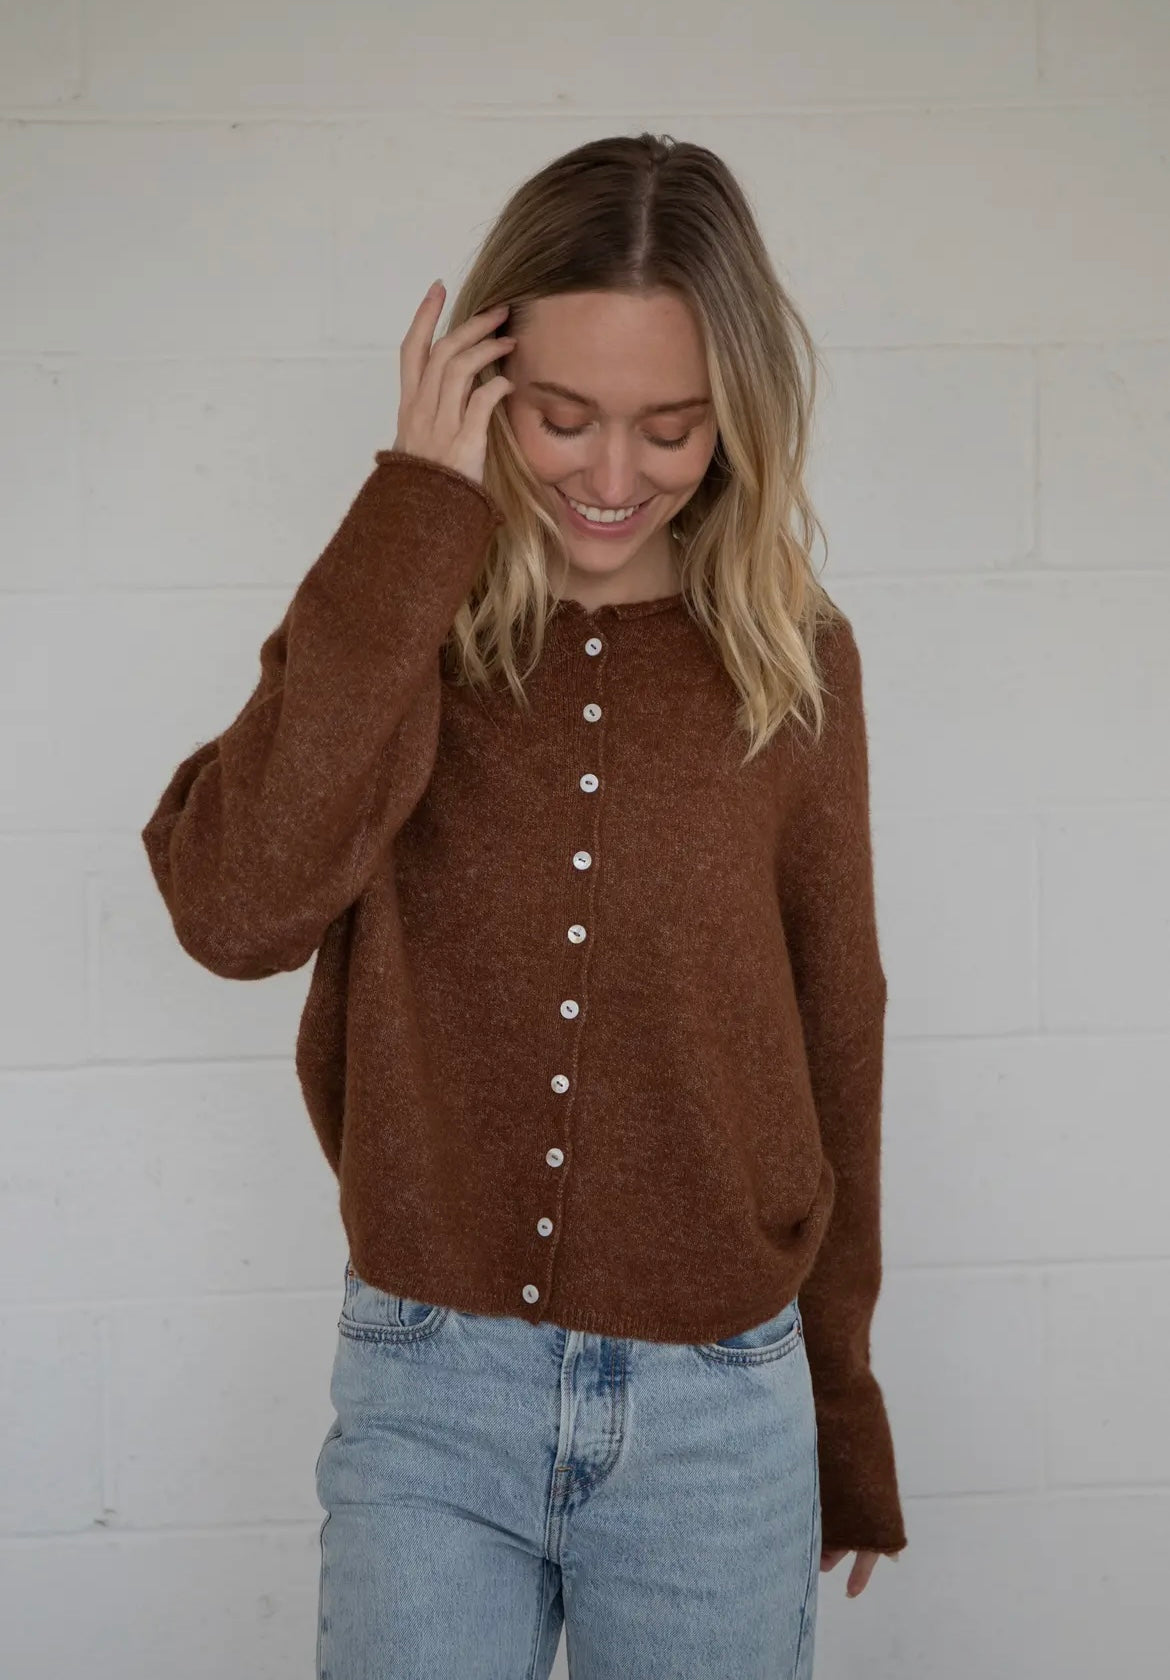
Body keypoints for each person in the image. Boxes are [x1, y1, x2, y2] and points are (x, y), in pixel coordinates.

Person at [141, 132, 907, 1679]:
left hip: (718, 1412)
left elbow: (837, 1022)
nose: (612, 479)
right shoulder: (396, 629)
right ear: (480, 382)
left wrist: (840, 1403)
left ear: (737, 419)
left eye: (671, 429)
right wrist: (414, 508)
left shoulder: (792, 660)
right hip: (429, 1392)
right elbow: (234, 912)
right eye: (562, 418)